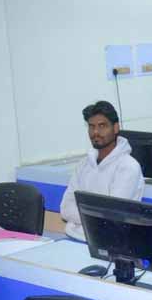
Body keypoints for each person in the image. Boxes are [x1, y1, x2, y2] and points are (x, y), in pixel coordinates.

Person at [60, 101, 145, 241]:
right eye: (91, 126)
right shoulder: (83, 164)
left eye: (102, 126)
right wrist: (96, 214)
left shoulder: (128, 167)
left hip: (107, 243)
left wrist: (84, 213)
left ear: (116, 128)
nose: (95, 132)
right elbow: (65, 209)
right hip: (73, 237)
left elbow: (111, 216)